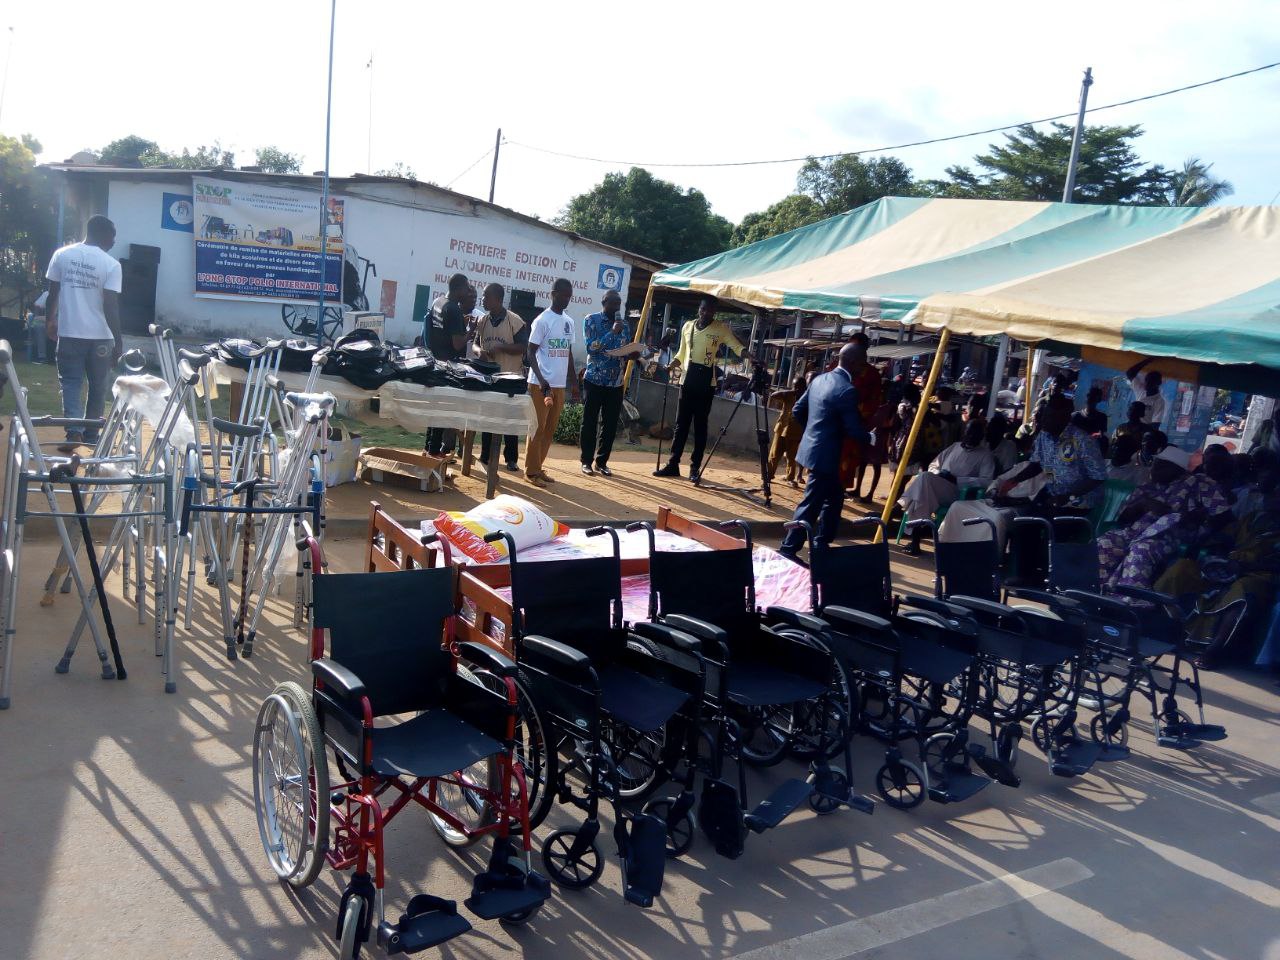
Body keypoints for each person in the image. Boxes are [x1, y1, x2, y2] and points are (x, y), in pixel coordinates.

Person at [778, 342, 871, 562]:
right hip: (825, 455)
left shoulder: (819, 380)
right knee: (811, 504)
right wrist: (870, 437)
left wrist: (814, 432)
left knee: (834, 499)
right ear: (853, 362)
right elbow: (853, 429)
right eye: (862, 363)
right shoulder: (847, 390)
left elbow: (798, 410)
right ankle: (788, 549)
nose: (864, 368)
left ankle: (821, 544)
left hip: (818, 452)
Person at [1096, 444, 1233, 592]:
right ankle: (1100, 591)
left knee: (1140, 551)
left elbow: (1224, 516)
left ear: (1178, 470)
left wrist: (1198, 518)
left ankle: (1131, 599)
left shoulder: (1198, 484)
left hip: (1169, 538)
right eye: (1154, 465)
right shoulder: (1147, 487)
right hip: (1133, 533)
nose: (1153, 470)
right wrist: (1142, 505)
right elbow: (1121, 520)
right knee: (1104, 542)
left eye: (1160, 467)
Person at [45, 215, 123, 450]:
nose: (114, 241)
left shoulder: (62, 255)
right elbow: (110, 305)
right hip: (101, 338)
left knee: (71, 383)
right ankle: (91, 435)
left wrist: (50, 320)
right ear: (102, 233)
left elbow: (52, 293)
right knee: (98, 386)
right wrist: (118, 341)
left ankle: (74, 433)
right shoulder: (111, 264)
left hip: (70, 333)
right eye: (112, 236)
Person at [653, 297, 746, 479]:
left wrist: (750, 355)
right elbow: (681, 354)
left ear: (714, 312)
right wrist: (670, 366)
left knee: (700, 426)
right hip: (686, 381)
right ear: (699, 309)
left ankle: (694, 468)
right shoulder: (688, 326)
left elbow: (736, 346)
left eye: (710, 310)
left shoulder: (720, 328)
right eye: (704, 309)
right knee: (681, 425)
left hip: (706, 383)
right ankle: (673, 464)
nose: (706, 313)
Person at [900, 419, 999, 554]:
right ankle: (915, 542)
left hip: (958, 493)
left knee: (923, 482)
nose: (970, 437)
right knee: (923, 490)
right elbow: (934, 465)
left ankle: (903, 506)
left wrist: (958, 480)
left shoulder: (985, 455)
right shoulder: (955, 446)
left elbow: (986, 481)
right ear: (964, 432)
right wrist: (940, 474)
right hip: (937, 486)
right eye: (969, 433)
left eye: (975, 435)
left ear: (981, 437)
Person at [996, 392, 1107, 508]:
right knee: (1014, 510)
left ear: (1064, 419)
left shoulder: (1084, 441)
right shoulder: (1044, 435)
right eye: (1044, 416)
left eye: (1049, 417)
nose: (1043, 420)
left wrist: (1069, 496)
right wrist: (1014, 481)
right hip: (1053, 493)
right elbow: (1037, 464)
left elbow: (1098, 477)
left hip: (1080, 501)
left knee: (1038, 516)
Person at [523, 278, 579, 487]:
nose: (566, 299)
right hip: (541, 384)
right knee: (537, 428)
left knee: (549, 429)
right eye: (563, 295)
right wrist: (541, 380)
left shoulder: (569, 321)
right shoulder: (542, 320)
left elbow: (568, 353)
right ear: (553, 294)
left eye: (569, 296)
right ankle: (530, 472)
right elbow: (530, 352)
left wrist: (574, 382)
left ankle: (538, 467)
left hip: (559, 384)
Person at [579, 290, 640, 476]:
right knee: (589, 422)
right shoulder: (591, 320)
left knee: (610, 425)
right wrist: (612, 332)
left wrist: (632, 354)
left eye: (619, 304)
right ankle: (586, 462)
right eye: (613, 303)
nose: (616, 308)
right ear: (604, 303)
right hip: (594, 380)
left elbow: (624, 349)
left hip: (616, 383)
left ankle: (602, 462)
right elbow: (592, 348)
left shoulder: (625, 325)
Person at [474, 282, 526, 472]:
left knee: (509, 419)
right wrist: (479, 351)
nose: (483, 299)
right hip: (489, 377)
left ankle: (511, 458)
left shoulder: (515, 321)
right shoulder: (483, 321)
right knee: (488, 418)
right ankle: (485, 455)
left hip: (511, 378)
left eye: (486, 296)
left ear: (497, 299)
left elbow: (523, 347)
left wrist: (502, 347)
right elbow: (475, 344)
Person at [425, 273, 469, 456]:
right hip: (448, 366)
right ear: (459, 289)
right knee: (442, 409)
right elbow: (458, 344)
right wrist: (471, 332)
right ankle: (434, 451)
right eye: (466, 288)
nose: (468, 292)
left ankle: (428, 447)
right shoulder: (453, 309)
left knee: (434, 408)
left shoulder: (438, 301)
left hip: (435, 360)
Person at [855, 382, 898, 503]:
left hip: (879, 440)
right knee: (863, 463)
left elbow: (890, 425)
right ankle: (857, 489)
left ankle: (870, 494)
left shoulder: (890, 407)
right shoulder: (874, 403)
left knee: (876, 466)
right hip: (869, 436)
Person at [766, 372, 809, 485]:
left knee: (791, 457)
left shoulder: (807, 400)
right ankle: (768, 475)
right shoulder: (788, 395)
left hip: (795, 433)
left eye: (799, 387)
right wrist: (791, 391)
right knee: (774, 454)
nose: (796, 389)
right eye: (794, 386)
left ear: (804, 388)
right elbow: (773, 395)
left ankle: (790, 478)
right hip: (781, 429)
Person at [1127, 357, 1166, 426]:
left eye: (1151, 382)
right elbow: (1130, 372)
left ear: (1158, 384)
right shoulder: (1141, 390)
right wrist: (1146, 361)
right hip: (1131, 425)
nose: (1147, 384)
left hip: (1144, 428)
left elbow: (1156, 423)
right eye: (1146, 380)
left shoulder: (1159, 401)